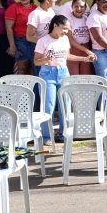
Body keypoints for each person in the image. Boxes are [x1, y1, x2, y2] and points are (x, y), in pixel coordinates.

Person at [34, 15, 96, 143]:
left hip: (63, 73)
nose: (66, 32)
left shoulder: (65, 39)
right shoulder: (43, 41)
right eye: (64, 28)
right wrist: (46, 59)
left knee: (65, 105)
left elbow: (66, 56)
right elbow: (36, 61)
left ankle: (63, 134)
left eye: (67, 29)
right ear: (55, 25)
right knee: (48, 106)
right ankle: (46, 136)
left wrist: (84, 58)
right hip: (47, 73)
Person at [5, 0, 37, 75]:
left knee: (34, 68)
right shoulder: (14, 7)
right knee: (22, 67)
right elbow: (9, 28)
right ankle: (22, 88)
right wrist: (12, 45)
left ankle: (34, 89)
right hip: (21, 41)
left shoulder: (36, 8)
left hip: (34, 41)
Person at [27, 0, 56, 75]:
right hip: (38, 49)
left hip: (50, 49)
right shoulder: (35, 14)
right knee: (40, 75)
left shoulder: (51, 11)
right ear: (48, 0)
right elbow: (29, 37)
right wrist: (44, 43)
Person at [65, 0, 95, 76]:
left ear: (85, 8)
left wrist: (87, 50)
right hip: (72, 49)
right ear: (72, 7)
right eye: (76, 6)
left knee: (85, 76)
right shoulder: (68, 20)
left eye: (81, 7)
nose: (79, 9)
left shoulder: (87, 19)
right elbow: (70, 40)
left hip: (86, 48)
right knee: (73, 76)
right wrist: (87, 50)